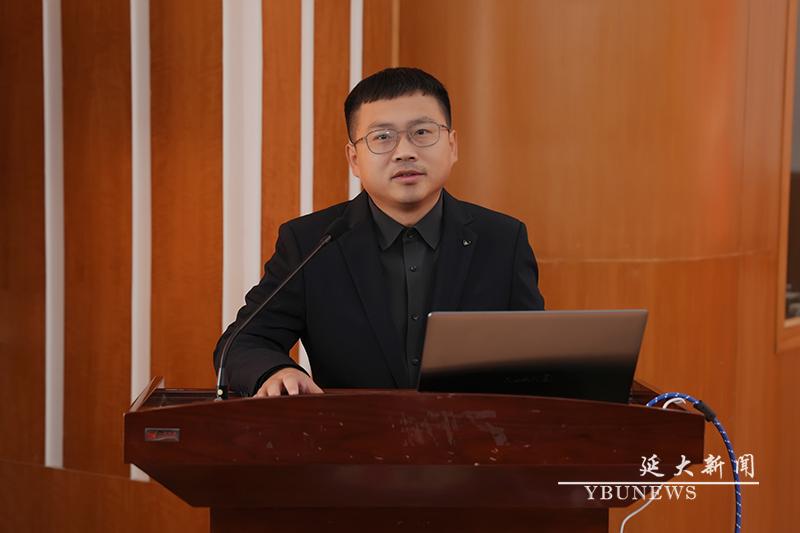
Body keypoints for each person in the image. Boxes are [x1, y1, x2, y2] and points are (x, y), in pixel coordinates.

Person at [213, 67, 545, 397]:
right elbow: (242, 342)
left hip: (474, 429)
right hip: (350, 429)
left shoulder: (503, 240)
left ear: (452, 145)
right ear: (354, 160)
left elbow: (537, 356)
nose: (405, 152)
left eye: (422, 132)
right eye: (383, 137)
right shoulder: (311, 242)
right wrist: (277, 371)